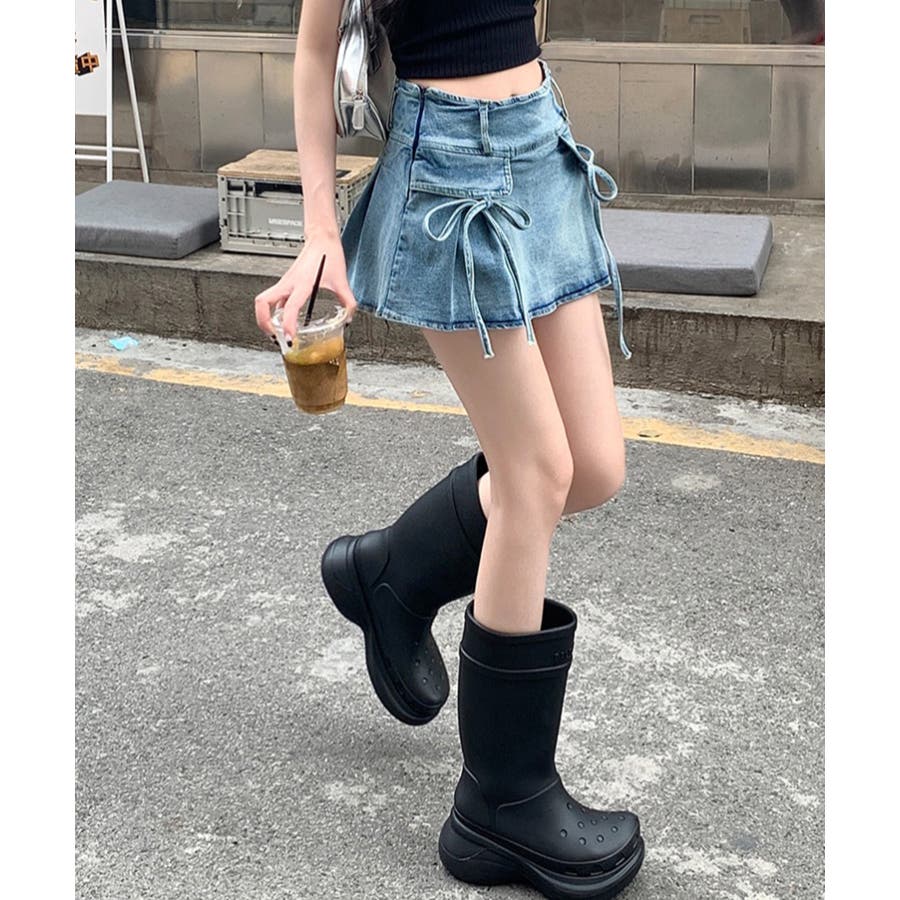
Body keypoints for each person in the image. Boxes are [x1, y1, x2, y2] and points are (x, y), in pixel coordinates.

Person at [254, 2, 644, 897]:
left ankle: (391, 572)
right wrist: (321, 231)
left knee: (591, 468)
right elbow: (315, 50)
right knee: (536, 474)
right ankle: (500, 801)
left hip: (538, 139)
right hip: (450, 173)